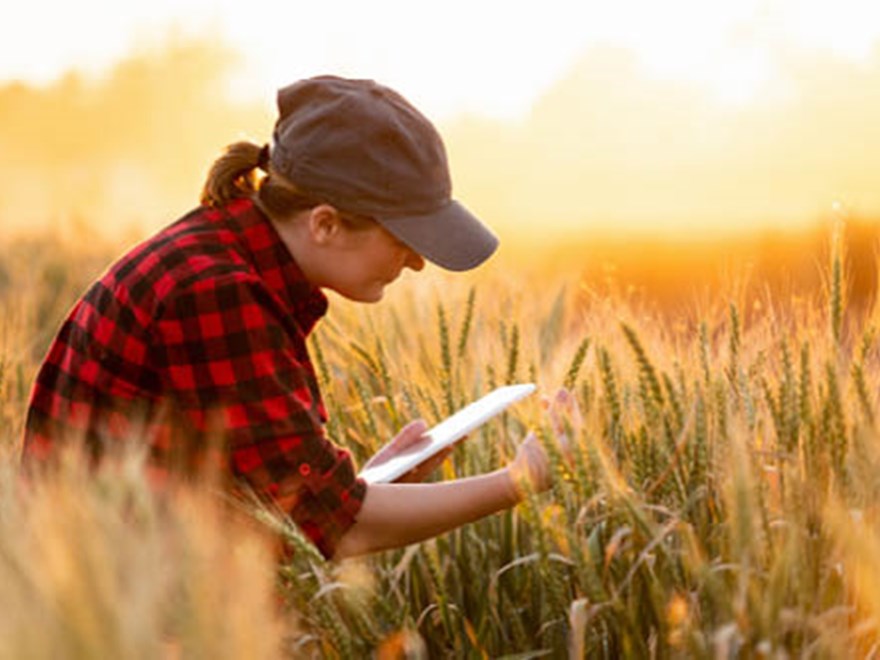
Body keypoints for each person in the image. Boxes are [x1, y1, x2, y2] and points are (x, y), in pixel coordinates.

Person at [21, 75, 558, 560]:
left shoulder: (223, 260)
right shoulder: (216, 292)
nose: (417, 262)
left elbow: (273, 515)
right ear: (324, 223)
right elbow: (340, 531)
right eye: (405, 238)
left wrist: (370, 485)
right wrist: (521, 479)